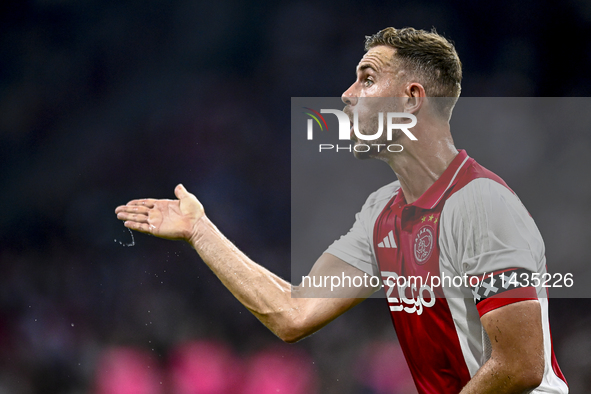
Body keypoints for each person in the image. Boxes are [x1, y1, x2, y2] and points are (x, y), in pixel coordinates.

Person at [115, 27, 568, 393]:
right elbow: (293, 314)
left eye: (367, 79)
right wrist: (201, 230)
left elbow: (521, 366)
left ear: (411, 99)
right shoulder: (381, 213)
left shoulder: (482, 204)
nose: (347, 95)